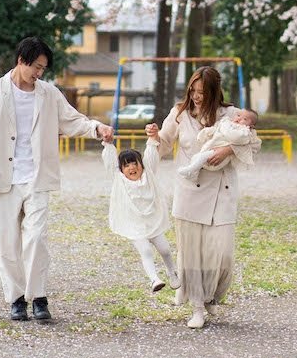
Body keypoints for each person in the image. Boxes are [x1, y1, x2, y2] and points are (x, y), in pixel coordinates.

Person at [0, 35, 113, 322]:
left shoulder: (48, 94)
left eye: (43, 69)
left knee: (37, 238)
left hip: (37, 177)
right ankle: (16, 298)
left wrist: (96, 128)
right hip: (1, 177)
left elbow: (72, 120)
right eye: (36, 67)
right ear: (21, 60)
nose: (39, 74)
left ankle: (38, 296)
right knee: (6, 243)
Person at [146, 64, 259, 329]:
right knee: (191, 254)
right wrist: (153, 137)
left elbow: (253, 141)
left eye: (203, 92)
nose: (197, 96)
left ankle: (211, 296)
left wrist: (229, 150)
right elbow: (163, 145)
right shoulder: (179, 113)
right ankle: (197, 306)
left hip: (222, 191)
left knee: (222, 254)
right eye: (193, 91)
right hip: (189, 191)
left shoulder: (231, 114)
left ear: (214, 91)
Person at [101, 142, 179, 292]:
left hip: (152, 222)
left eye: (134, 163)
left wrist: (151, 141)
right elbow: (110, 162)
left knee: (165, 249)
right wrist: (108, 144)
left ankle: (172, 272)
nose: (132, 168)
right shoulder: (119, 180)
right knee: (146, 251)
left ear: (141, 165)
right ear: (121, 170)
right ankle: (154, 279)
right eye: (126, 165)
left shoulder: (148, 176)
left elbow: (151, 157)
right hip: (134, 225)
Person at [177, 109, 260, 180]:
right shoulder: (229, 123)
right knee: (196, 157)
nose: (239, 119)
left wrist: (229, 149)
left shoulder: (244, 132)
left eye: (244, 119)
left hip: (217, 154)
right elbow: (216, 129)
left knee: (201, 157)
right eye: (238, 115)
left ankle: (190, 170)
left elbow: (235, 137)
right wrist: (206, 132)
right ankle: (193, 174)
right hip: (211, 147)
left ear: (251, 125)